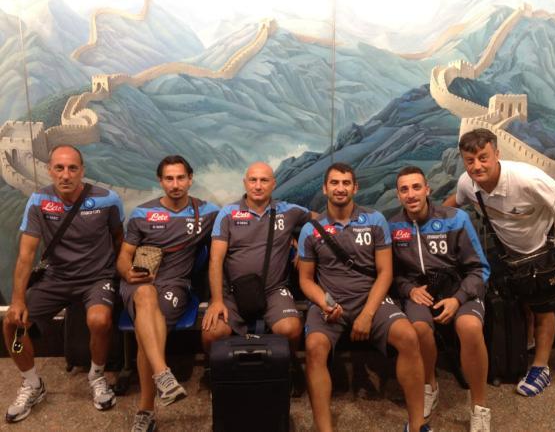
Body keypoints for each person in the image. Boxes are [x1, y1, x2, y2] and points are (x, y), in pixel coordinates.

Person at [444, 128, 555, 397]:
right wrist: (429, 222)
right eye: (470, 160)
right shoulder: (467, 183)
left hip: (549, 247)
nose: (477, 166)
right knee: (521, 300)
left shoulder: (526, 178)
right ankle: (524, 344)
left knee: (544, 307)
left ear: (497, 154)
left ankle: (541, 367)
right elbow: (453, 204)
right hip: (513, 252)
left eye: (483, 157)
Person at [298, 162, 429, 432]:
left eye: (346, 183)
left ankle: (417, 425)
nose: (340, 188)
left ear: (355, 188)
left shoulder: (374, 220)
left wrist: (368, 314)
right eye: (334, 183)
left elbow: (385, 273)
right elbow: (306, 280)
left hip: (371, 299)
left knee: (408, 336)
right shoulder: (311, 229)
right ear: (325, 189)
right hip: (330, 302)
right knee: (314, 347)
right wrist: (324, 303)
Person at [3, 145, 124, 423]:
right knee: (12, 325)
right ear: (49, 170)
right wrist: (18, 300)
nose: (66, 175)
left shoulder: (107, 199)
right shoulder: (39, 201)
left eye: (72, 168)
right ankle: (32, 382)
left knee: (99, 320)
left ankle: (97, 376)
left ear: (82, 171)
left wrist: (119, 276)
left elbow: (119, 239)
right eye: (59, 168)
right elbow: (26, 255)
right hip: (56, 278)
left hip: (97, 278)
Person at [117, 155, 219, 432]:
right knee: (145, 295)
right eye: (169, 178)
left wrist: (295, 234)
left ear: (190, 179)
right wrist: (127, 272)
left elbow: (238, 222)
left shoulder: (207, 212)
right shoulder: (142, 214)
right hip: (139, 282)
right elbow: (124, 256)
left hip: (175, 285)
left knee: (145, 333)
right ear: (160, 181)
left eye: (180, 178)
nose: (175, 184)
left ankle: (146, 411)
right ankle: (163, 374)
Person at [390, 166, 491, 431]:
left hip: (460, 286)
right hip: (421, 291)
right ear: (398, 195)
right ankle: (429, 385)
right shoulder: (394, 226)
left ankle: (479, 407)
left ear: (427, 189)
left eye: (416, 187)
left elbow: (480, 269)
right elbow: (393, 274)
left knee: (469, 327)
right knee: (417, 329)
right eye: (404, 189)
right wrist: (409, 290)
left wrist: (458, 298)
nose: (411, 194)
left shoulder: (456, 218)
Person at [201, 162, 312, 394]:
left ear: (274, 184)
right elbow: (215, 260)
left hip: (273, 289)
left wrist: (303, 247)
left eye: (264, 180)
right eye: (253, 180)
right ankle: (212, 368)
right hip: (232, 292)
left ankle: (289, 365)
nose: (258, 186)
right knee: (212, 332)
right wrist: (217, 300)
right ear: (245, 183)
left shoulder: (289, 211)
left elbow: (321, 221)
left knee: (291, 328)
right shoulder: (228, 213)